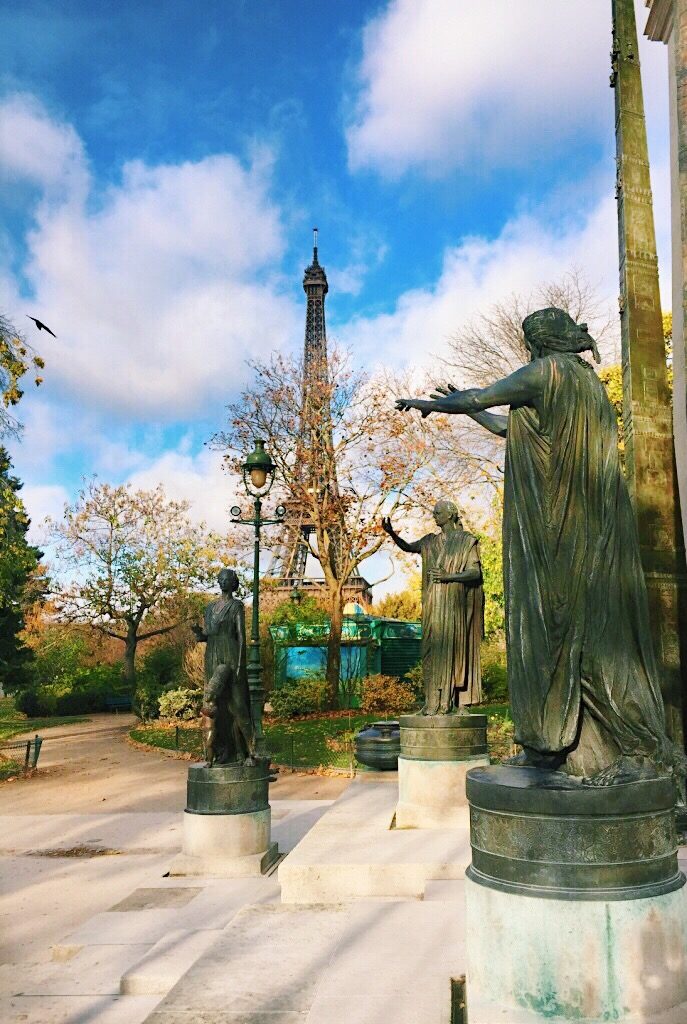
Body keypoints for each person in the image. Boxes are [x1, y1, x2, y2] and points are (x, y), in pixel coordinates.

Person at [396, 306, 676, 784]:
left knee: (562, 630)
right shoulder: (587, 383)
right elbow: (511, 428)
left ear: (541, 342)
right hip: (588, 530)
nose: (527, 348)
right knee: (566, 633)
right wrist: (478, 411)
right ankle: (550, 744)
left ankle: (617, 746)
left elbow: (478, 396)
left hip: (563, 533)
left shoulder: (546, 371)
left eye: (530, 339)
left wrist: (431, 405)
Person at [382, 500, 483, 714]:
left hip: (452, 606)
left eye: (438, 512)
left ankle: (449, 703)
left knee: (450, 651)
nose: (434, 515)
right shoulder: (429, 541)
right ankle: (431, 702)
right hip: (432, 607)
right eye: (434, 512)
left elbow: (475, 573)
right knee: (430, 651)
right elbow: (408, 547)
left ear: (451, 515)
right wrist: (392, 534)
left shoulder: (466, 541)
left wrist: (449, 577)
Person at [192, 568, 256, 766]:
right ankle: (222, 752)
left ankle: (249, 753)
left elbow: (241, 637)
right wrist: (198, 634)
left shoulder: (236, 606)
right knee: (214, 707)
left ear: (233, 582)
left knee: (238, 706)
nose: (223, 581)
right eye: (220, 578)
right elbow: (206, 635)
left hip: (230, 654)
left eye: (227, 578)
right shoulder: (210, 607)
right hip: (212, 656)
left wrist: (239, 664)